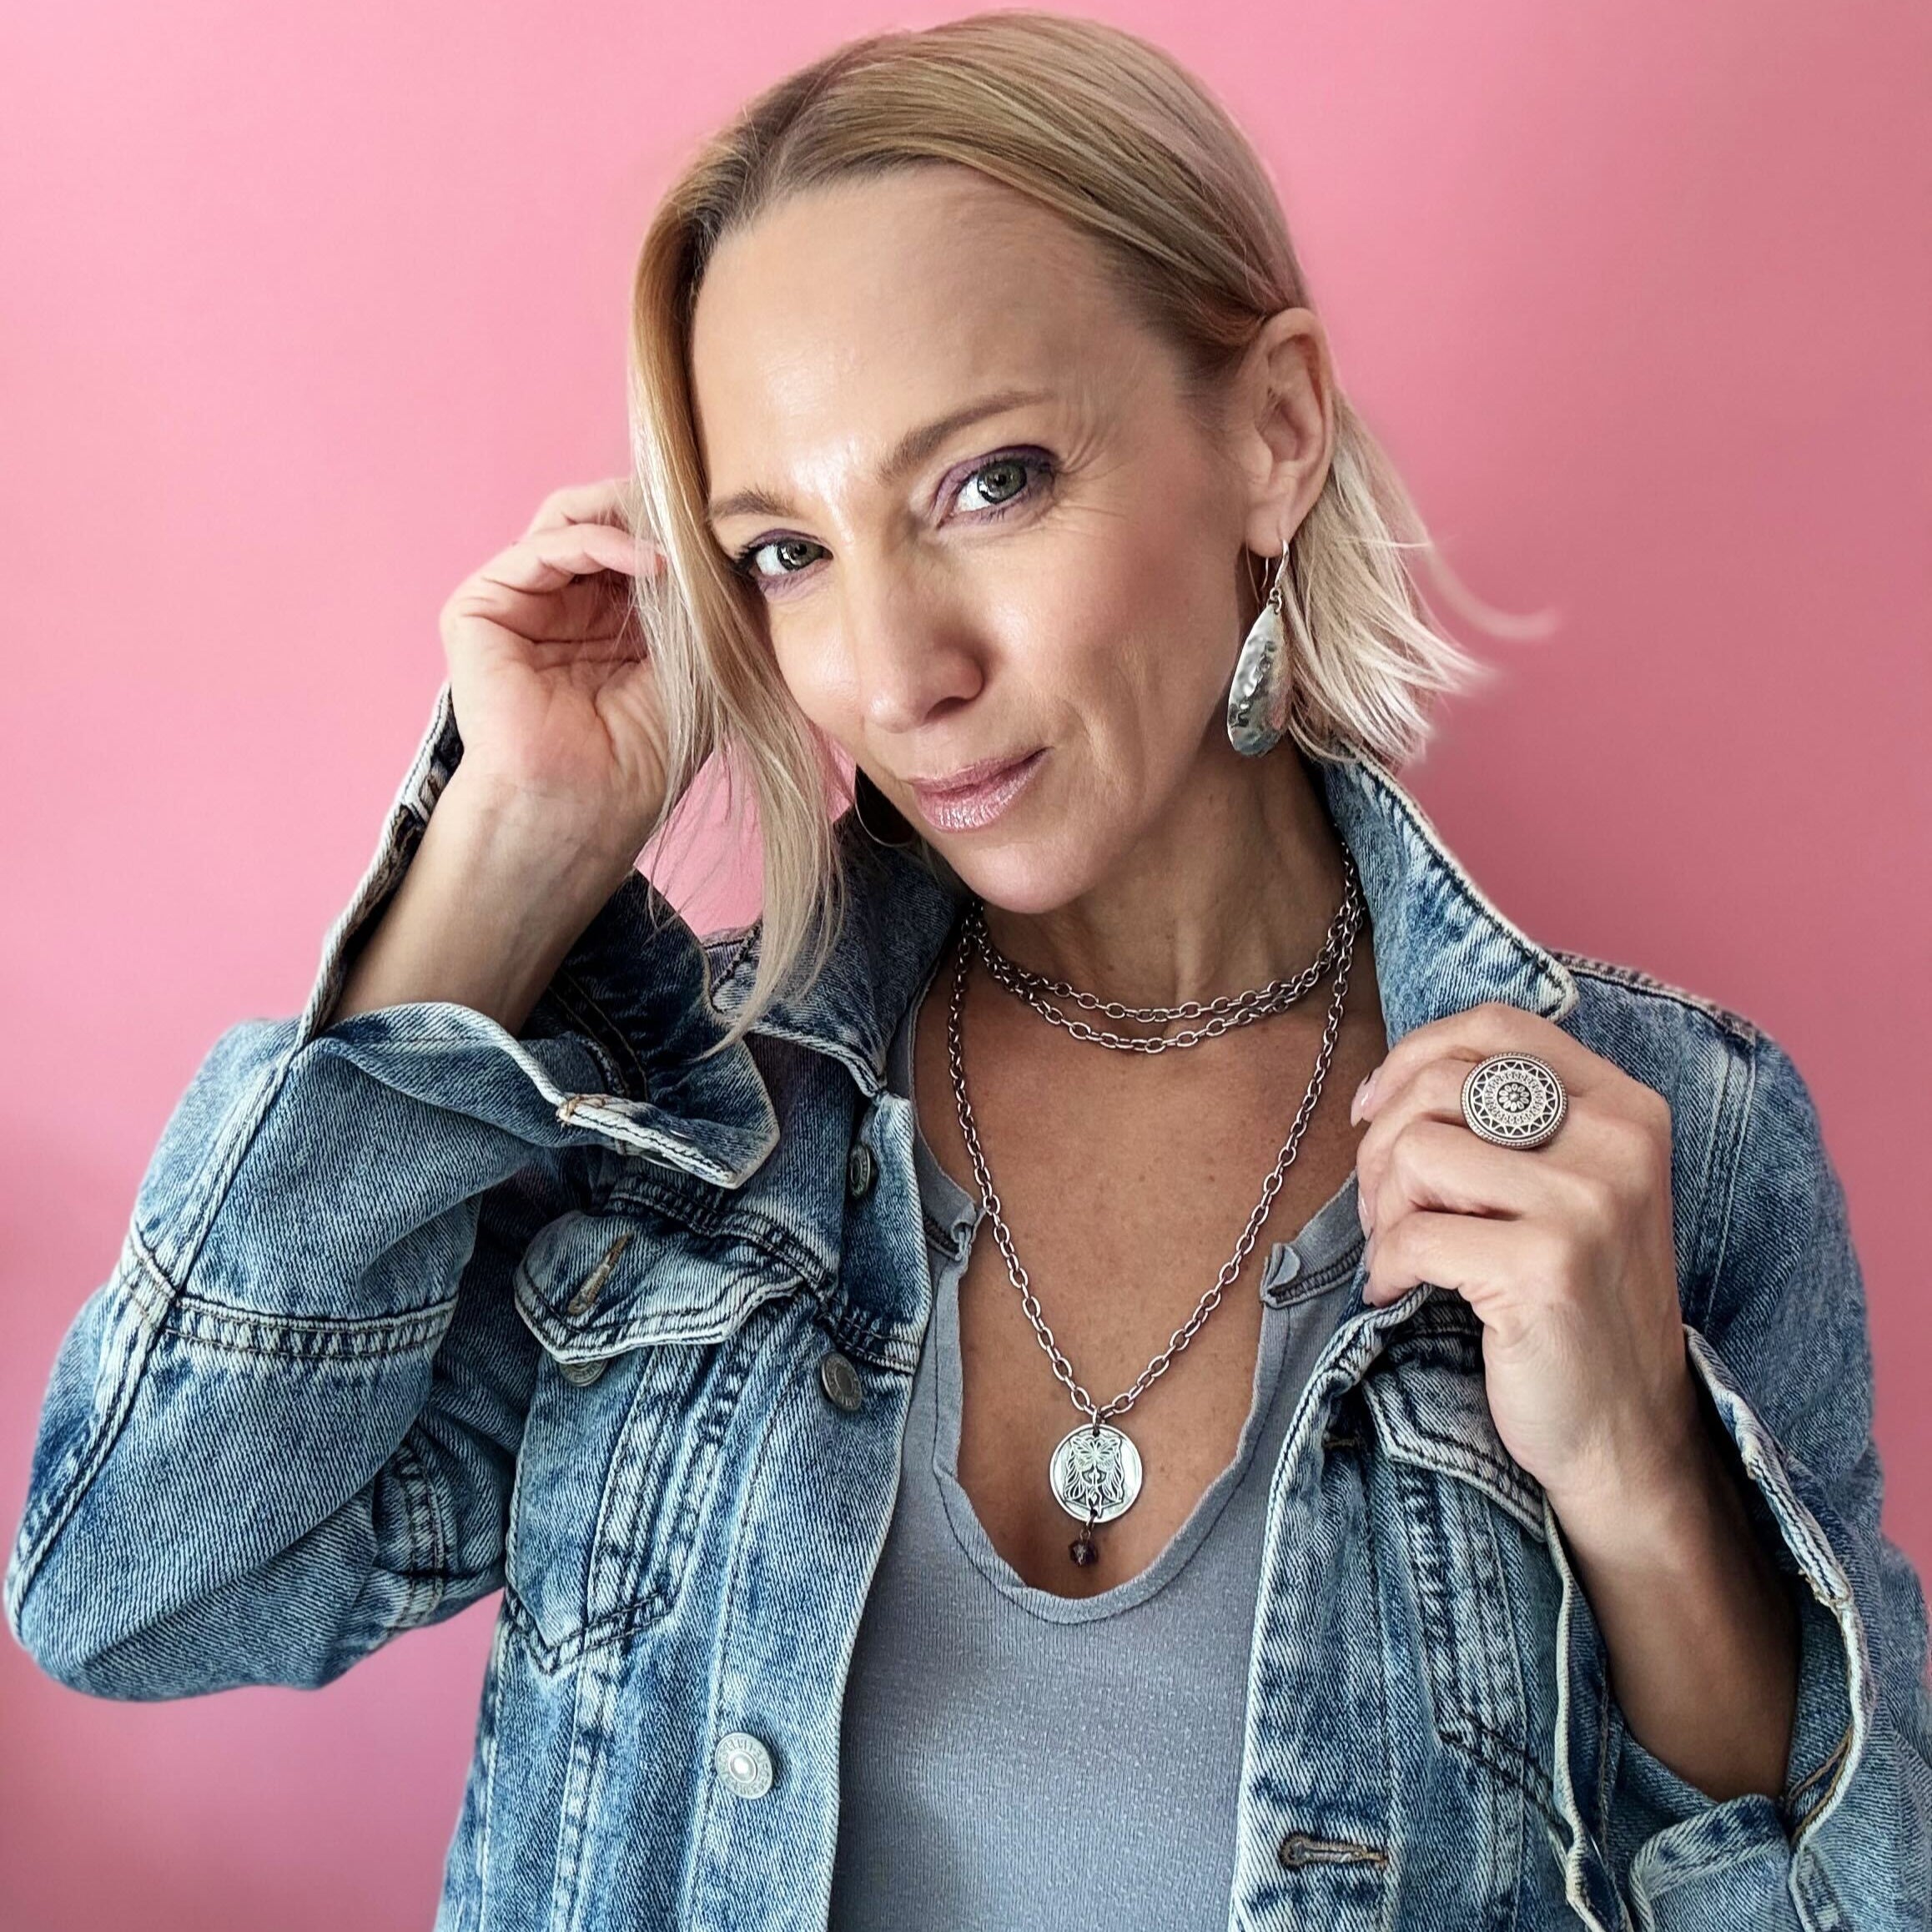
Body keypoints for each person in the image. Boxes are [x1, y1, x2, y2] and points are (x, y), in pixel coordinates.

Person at [7, 11, 1928, 1929]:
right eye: (783, 553)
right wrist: (505, 858)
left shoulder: (1661, 1142)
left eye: (989, 483)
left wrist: (1643, 1480)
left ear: (1271, 431)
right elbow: (138, 1589)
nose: (896, 671)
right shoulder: (679, 1130)